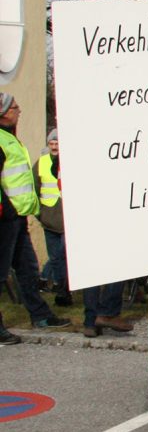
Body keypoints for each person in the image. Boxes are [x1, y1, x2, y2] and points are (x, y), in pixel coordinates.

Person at [0, 93, 70, 344]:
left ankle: (40, 315)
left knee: (28, 269)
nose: (19, 110)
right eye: (14, 107)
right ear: (3, 112)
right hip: (6, 218)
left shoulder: (10, 139)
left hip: (18, 217)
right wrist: (7, 210)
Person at [34, 129, 72, 307]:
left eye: (57, 144)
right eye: (52, 144)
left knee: (64, 255)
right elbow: (34, 187)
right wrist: (39, 213)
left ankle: (64, 289)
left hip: (66, 218)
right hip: (49, 217)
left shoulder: (69, 162)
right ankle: (60, 286)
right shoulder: (41, 163)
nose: (55, 147)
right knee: (55, 257)